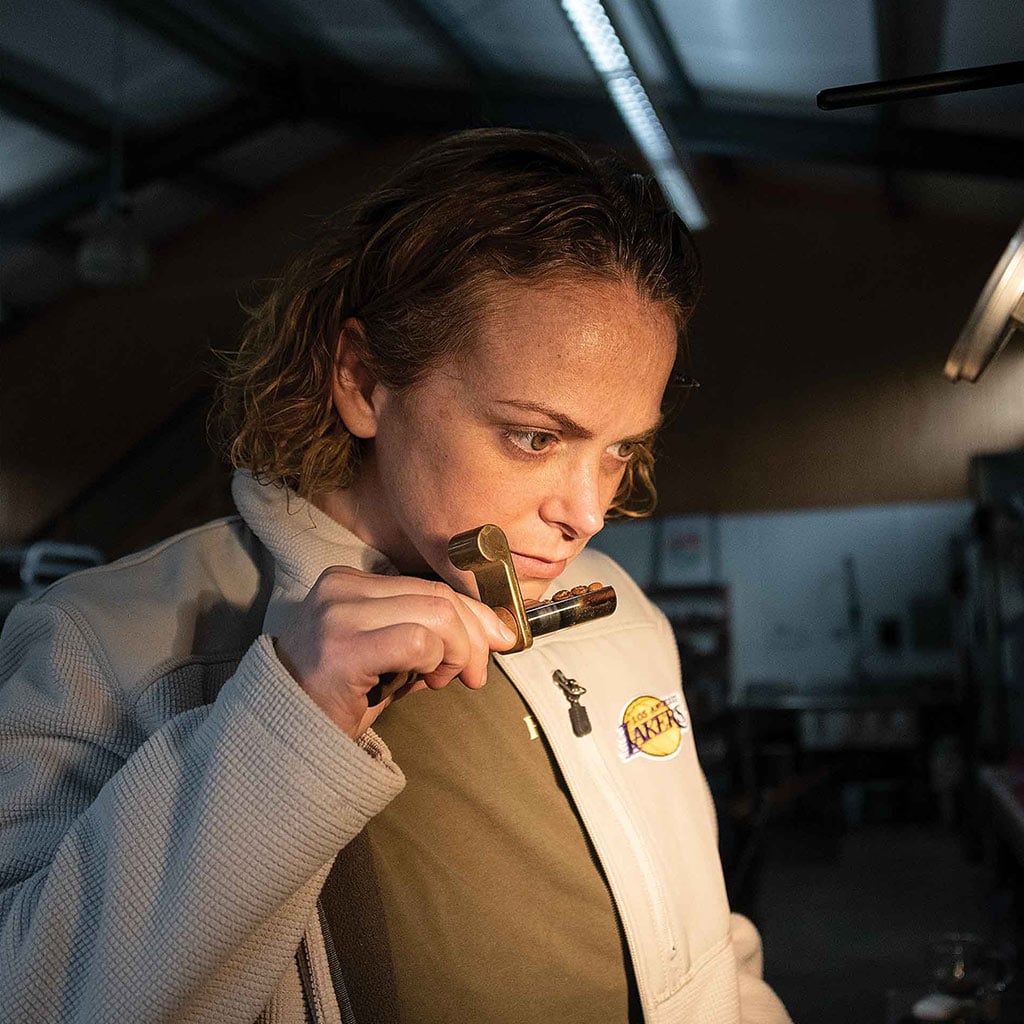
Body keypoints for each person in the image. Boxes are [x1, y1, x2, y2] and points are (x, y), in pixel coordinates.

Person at [0, 129, 791, 1024]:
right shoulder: (100, 643)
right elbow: (32, 996)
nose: (589, 511)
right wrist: (284, 721)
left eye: (620, 451)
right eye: (536, 436)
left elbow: (705, 943)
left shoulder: (618, 611)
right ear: (365, 380)